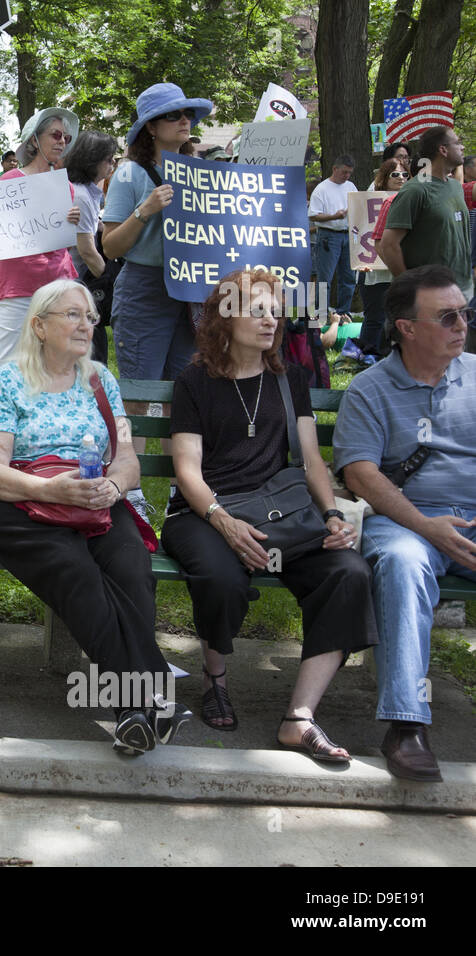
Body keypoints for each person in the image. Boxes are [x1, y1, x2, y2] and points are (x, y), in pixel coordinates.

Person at [161, 269, 376, 761]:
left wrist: (331, 516)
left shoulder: (289, 379)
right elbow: (188, 472)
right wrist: (223, 521)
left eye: (274, 311)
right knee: (221, 576)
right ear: (225, 317)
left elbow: (312, 460)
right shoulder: (194, 382)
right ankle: (215, 678)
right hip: (204, 513)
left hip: (280, 516)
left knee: (348, 573)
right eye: (256, 310)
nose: (269, 320)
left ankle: (299, 716)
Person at [0, 278, 187, 754]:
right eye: (72, 314)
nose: (86, 324)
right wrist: (48, 487)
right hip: (22, 501)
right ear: (39, 325)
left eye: (90, 316)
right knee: (77, 570)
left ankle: (136, 709)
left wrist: (114, 486)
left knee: (132, 568)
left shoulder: (100, 381)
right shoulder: (8, 380)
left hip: (95, 502)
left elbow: (127, 457)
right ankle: (150, 701)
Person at [335, 265, 476, 781]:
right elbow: (361, 474)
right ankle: (406, 724)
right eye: (447, 316)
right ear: (406, 327)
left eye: (465, 312)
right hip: (406, 525)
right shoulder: (371, 389)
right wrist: (427, 525)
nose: (461, 324)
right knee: (402, 563)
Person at [102, 83, 215, 517]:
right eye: (173, 115)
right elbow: (110, 247)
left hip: (190, 292)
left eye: (188, 113)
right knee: (136, 392)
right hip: (145, 289)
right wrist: (145, 210)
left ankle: (179, 492)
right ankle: (128, 490)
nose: (184, 120)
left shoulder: (198, 170)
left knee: (180, 395)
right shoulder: (129, 176)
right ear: (150, 127)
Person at [0, 107, 81, 374]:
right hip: (18, 286)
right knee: (2, 364)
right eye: (56, 135)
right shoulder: (11, 180)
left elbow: (63, 243)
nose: (62, 141)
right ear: (34, 140)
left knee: (53, 363)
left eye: (67, 138)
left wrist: (70, 223)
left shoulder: (66, 186)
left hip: (58, 285)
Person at [379, 126, 474, 346]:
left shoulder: (455, 187)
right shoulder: (415, 190)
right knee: (428, 358)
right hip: (429, 297)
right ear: (442, 150)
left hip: (461, 291)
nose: (462, 147)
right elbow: (388, 245)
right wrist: (412, 287)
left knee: (457, 361)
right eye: (457, 142)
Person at [67, 130, 119, 363]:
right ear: (92, 160)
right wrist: (111, 281)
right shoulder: (82, 196)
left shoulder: (86, 192)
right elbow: (86, 251)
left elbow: (95, 227)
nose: (114, 163)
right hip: (76, 287)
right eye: (109, 159)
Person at [353, 158, 410, 357]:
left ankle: (389, 355)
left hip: (398, 268)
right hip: (374, 270)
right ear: (385, 177)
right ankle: (364, 355)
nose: (401, 178)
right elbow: (358, 231)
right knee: (375, 317)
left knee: (397, 315)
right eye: (395, 174)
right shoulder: (370, 200)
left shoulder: (413, 199)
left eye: (405, 174)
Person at [308, 155, 358, 315]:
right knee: (325, 278)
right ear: (334, 169)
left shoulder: (350, 186)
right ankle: (321, 313)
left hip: (348, 234)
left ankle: (344, 312)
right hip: (329, 235)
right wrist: (334, 216)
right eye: (344, 172)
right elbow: (313, 215)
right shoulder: (322, 189)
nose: (347, 176)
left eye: (349, 173)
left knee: (349, 277)